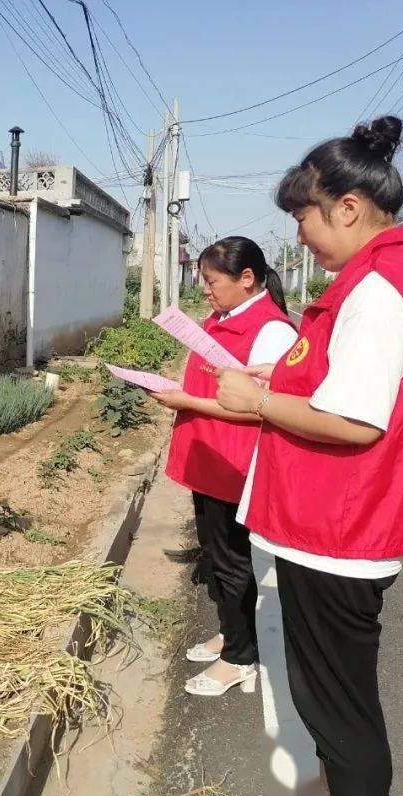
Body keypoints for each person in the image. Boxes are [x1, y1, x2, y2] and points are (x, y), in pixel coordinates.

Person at [217, 115, 403, 796]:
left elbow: (353, 421)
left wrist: (254, 402)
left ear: (348, 208)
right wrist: (276, 384)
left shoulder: (375, 291)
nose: (300, 235)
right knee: (333, 704)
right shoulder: (393, 276)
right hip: (340, 526)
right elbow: (340, 387)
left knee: (340, 713)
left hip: (337, 533)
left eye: (303, 217)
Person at [151, 237, 296, 697]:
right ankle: (231, 632)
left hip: (233, 463)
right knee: (215, 554)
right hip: (207, 456)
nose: (206, 292)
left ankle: (241, 657)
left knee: (231, 560)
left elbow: (261, 408)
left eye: (212, 282)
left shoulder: (272, 332)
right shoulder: (221, 319)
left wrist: (186, 399)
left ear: (246, 279)